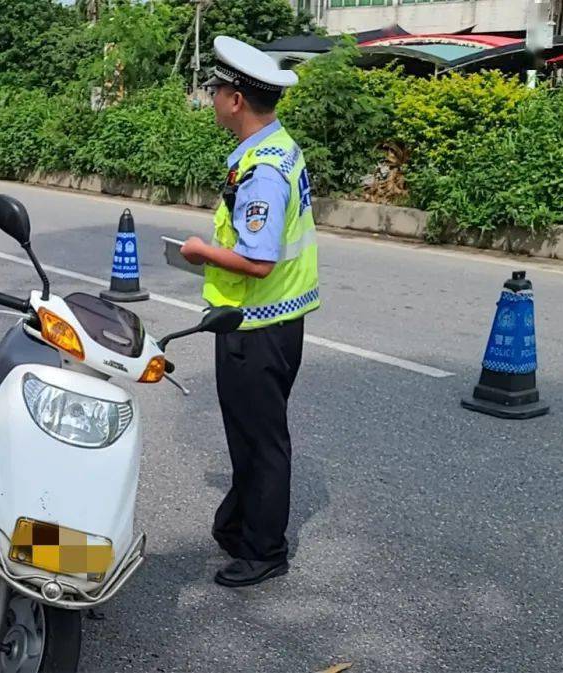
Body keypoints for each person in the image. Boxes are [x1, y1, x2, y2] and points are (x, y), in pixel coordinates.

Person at [180, 36, 320, 588]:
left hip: (255, 325)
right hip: (279, 321)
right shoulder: (281, 146)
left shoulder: (261, 168)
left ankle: (264, 551)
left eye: (215, 90)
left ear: (235, 99)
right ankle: (238, 523)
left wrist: (197, 251)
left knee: (260, 441)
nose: (211, 97)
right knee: (253, 434)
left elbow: (257, 261)